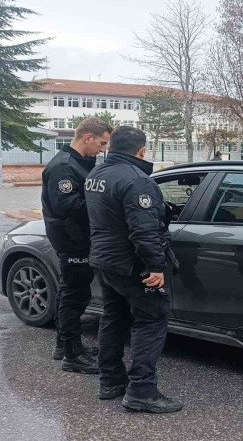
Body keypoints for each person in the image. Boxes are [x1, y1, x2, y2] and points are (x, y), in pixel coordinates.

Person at [85, 126, 183, 414]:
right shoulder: (138, 181)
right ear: (141, 151)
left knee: (113, 318)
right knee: (151, 322)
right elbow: (144, 231)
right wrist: (156, 265)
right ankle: (142, 391)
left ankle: (110, 382)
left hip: (105, 261)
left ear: (111, 146)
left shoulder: (96, 175)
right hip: (133, 266)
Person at [41, 117, 112, 374]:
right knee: (75, 295)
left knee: (70, 291)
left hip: (78, 236)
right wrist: (104, 204)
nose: (103, 149)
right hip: (72, 238)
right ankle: (72, 354)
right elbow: (66, 206)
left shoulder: (79, 162)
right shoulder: (64, 166)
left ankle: (65, 344)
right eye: (102, 143)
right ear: (87, 138)